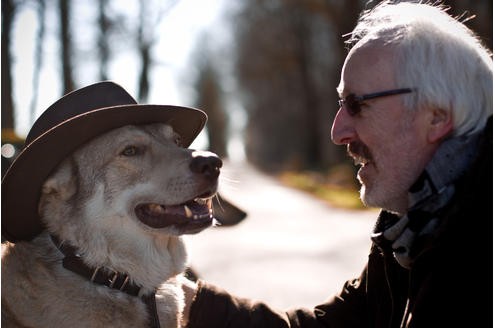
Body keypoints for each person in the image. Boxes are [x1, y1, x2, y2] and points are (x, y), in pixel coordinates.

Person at [180, 1, 493, 327]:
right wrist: (193, 305)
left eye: (357, 105)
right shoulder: (410, 224)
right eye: (341, 104)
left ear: (437, 116)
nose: (337, 132)